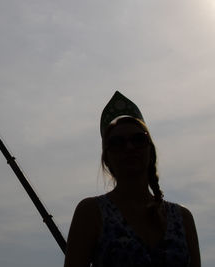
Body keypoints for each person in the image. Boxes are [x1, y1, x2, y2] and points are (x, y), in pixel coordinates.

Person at [64, 91, 201, 267]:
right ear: (107, 158)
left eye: (138, 140)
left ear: (150, 151)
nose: (129, 147)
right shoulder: (91, 212)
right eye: (117, 143)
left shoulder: (183, 218)